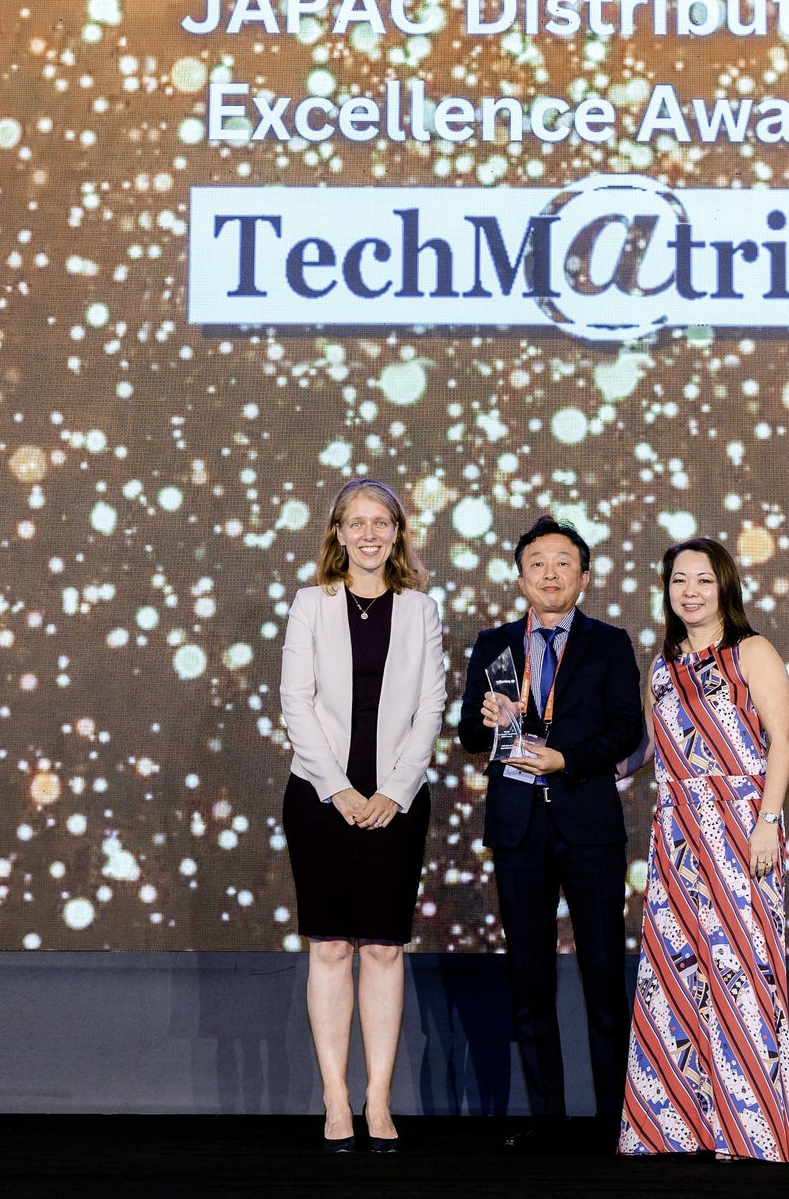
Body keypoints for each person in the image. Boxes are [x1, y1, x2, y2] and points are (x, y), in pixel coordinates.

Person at [456, 515, 644, 1150]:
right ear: (520, 578)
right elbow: (469, 734)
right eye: (537, 563)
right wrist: (490, 719)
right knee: (529, 977)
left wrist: (565, 758)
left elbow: (626, 729)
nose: (550, 573)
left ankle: (617, 1121)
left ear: (584, 577)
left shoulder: (609, 643)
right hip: (518, 828)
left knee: (603, 975)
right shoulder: (494, 644)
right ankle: (546, 1118)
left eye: (563, 563)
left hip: (588, 824)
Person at [279, 478, 447, 1154]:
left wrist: (393, 792)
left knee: (382, 948)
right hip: (321, 800)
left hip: (396, 803)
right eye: (358, 523)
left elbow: (431, 707)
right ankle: (334, 1100)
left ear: (397, 533)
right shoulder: (310, 604)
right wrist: (340, 790)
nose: (370, 534)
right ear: (339, 533)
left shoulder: (421, 609)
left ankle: (377, 1100)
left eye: (382, 523)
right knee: (329, 947)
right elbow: (295, 702)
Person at [618, 536, 789, 1163]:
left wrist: (767, 821)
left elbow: (784, 741)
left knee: (741, 970)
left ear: (724, 586)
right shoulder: (662, 665)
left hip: (742, 825)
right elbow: (648, 750)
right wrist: (581, 765)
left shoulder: (752, 651)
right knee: (676, 974)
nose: (689, 592)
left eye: (702, 580)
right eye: (678, 581)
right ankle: (675, 1127)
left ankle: (748, 1131)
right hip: (676, 832)